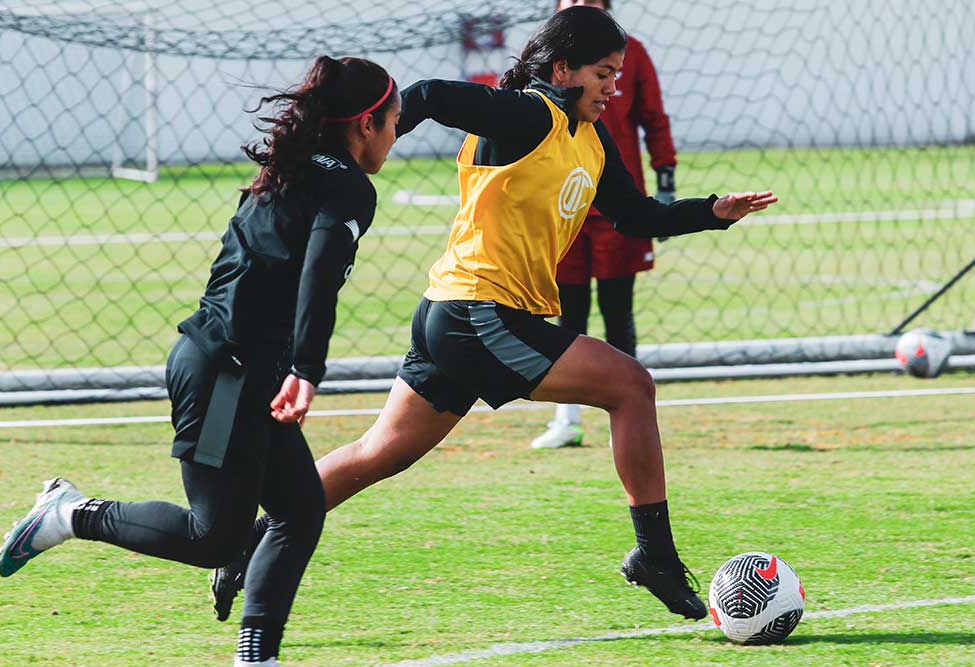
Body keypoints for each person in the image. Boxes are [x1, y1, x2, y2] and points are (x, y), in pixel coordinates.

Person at [212, 6, 776, 624]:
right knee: (631, 386)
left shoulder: (588, 134)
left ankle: (251, 541)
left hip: (455, 315)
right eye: (604, 73)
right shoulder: (530, 112)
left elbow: (636, 216)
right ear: (562, 69)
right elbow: (424, 95)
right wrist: (351, 160)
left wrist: (711, 211)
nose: (614, 86)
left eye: (618, 74)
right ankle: (657, 558)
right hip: (478, 312)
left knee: (380, 453)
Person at [0, 56, 402, 667]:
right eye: (396, 122)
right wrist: (308, 368)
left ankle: (256, 661)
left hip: (240, 368)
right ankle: (70, 514)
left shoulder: (293, 166)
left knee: (299, 507)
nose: (398, 136)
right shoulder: (347, 186)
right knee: (215, 538)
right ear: (367, 124)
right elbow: (318, 279)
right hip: (227, 374)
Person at [533, 0, 678, 449]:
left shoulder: (630, 54)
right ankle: (567, 418)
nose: (583, 5)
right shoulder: (547, 60)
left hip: (617, 207)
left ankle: (632, 412)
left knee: (618, 312)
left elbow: (653, 118)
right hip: (565, 207)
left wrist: (666, 177)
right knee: (567, 313)